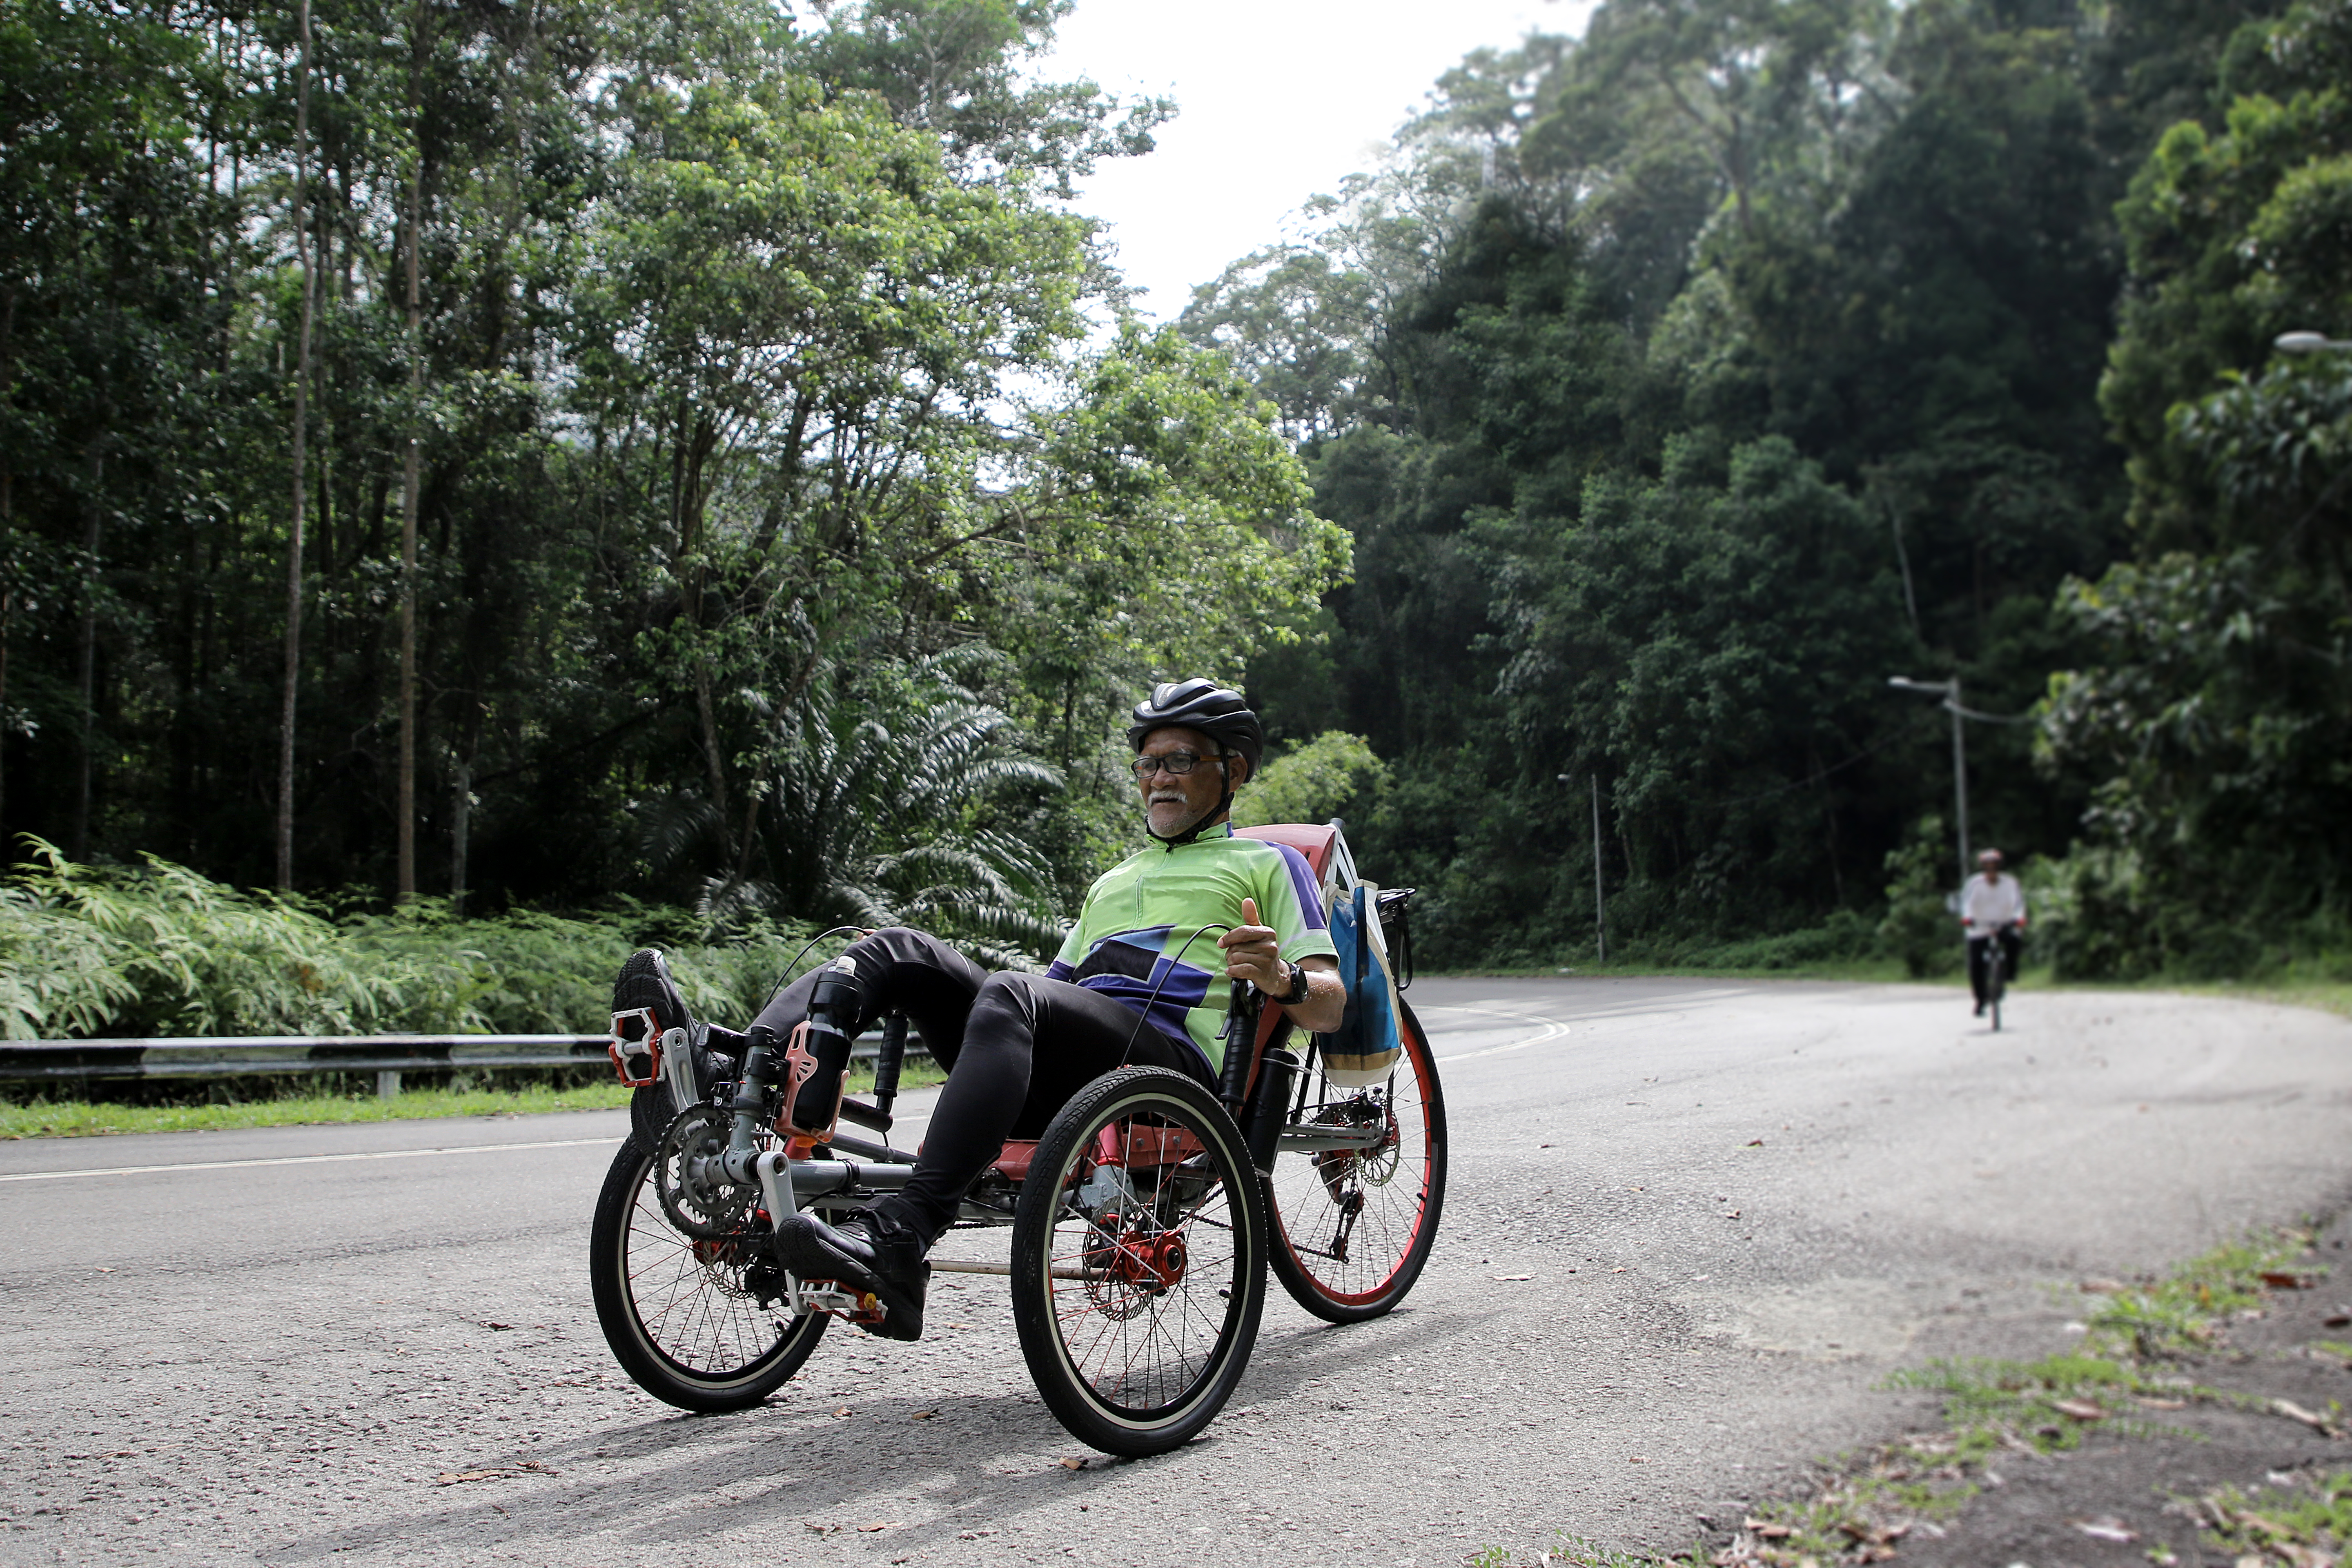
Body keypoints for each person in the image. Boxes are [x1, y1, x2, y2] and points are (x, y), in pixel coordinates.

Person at [610, 679, 1344, 1341]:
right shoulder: (1113, 881)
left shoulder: (1263, 865)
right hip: (1074, 1072)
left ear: (1234, 772)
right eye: (1148, 764)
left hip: (1168, 1072)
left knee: (1009, 989)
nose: (1158, 779)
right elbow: (1053, 1000)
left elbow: (1329, 1003)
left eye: (1179, 761)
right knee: (895, 949)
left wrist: (1281, 978)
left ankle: (902, 1237)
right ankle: (729, 1072)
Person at [1960, 848, 2026, 1017]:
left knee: (2013, 941)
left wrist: (2019, 918)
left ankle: (2009, 973)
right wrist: (1968, 918)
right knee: (1976, 963)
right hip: (1979, 927)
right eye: (1988, 868)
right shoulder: (1974, 884)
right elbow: (1966, 903)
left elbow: (2019, 904)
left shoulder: (2011, 883)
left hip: (2003, 923)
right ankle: (1981, 999)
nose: (1991, 872)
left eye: (1994, 868)